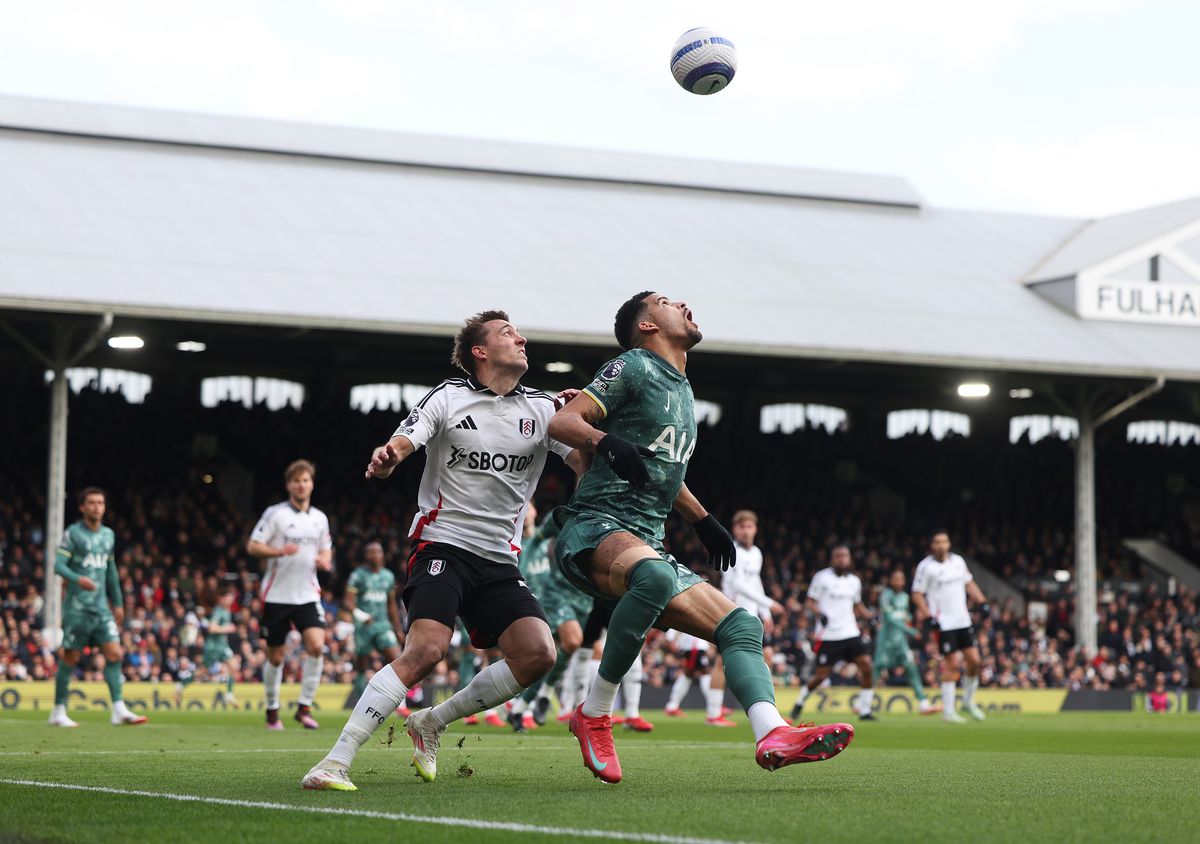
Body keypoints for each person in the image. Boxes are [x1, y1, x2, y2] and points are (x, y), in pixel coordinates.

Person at [549, 291, 854, 783]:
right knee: (649, 576)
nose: (684, 304)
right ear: (647, 325)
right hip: (594, 527)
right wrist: (606, 441)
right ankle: (595, 712)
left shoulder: (684, 388)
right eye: (668, 301)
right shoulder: (631, 366)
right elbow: (563, 421)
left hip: (646, 537)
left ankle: (771, 730)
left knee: (742, 626)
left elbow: (664, 473)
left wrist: (700, 518)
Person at [303, 310, 584, 791]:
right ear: (481, 351)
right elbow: (404, 440)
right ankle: (334, 761)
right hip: (444, 544)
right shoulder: (449, 397)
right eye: (507, 333)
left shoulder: (543, 409)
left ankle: (431, 721)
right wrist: (388, 457)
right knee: (429, 648)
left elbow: (585, 463)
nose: (521, 338)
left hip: (499, 559)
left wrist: (585, 419)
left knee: (538, 653)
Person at [49, 487, 147, 727]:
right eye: (91, 503)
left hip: (101, 608)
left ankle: (118, 709)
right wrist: (77, 578)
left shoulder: (108, 535)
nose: (96, 507)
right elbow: (58, 566)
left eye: (100, 503)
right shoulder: (73, 533)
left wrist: (118, 602)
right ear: (82, 507)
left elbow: (111, 571)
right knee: (70, 657)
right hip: (77, 607)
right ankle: (58, 711)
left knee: (115, 653)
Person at [247, 459, 333, 730]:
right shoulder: (276, 514)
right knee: (275, 657)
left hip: (307, 594)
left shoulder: (320, 518)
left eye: (306, 480)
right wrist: (278, 551)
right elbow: (253, 546)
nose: (301, 484)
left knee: (317, 646)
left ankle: (304, 707)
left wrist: (324, 560)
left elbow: (326, 548)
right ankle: (272, 711)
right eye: (297, 480)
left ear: (311, 484)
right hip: (276, 596)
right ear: (289, 485)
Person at [790, 545, 875, 721]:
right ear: (832, 558)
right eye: (838, 556)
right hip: (829, 636)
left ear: (849, 559)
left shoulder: (854, 581)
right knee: (821, 676)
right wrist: (819, 613)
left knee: (867, 666)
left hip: (850, 632)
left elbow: (857, 604)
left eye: (844, 556)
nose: (841, 559)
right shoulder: (821, 578)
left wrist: (869, 616)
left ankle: (865, 711)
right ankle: (800, 701)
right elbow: (811, 602)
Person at [912, 530, 990, 723]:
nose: (941, 546)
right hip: (943, 623)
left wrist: (982, 602)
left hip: (962, 620)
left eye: (944, 542)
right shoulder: (926, 566)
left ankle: (968, 703)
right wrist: (928, 614)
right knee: (952, 664)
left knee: (975, 661)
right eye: (937, 542)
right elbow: (916, 594)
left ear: (948, 544)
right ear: (932, 545)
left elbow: (969, 583)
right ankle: (948, 712)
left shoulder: (958, 562)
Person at [345, 541, 403, 704]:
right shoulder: (358, 575)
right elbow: (348, 603)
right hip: (363, 627)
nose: (374, 555)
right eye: (371, 552)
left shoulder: (388, 576)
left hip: (383, 625)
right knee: (362, 665)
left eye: (377, 551)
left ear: (382, 555)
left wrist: (397, 629)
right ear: (366, 555)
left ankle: (400, 704)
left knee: (397, 659)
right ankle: (361, 701)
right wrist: (361, 616)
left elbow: (391, 605)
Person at [873, 569, 938, 715]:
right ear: (891, 581)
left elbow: (905, 616)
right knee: (877, 668)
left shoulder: (904, 597)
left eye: (901, 579)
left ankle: (923, 703)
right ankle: (863, 702)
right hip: (886, 640)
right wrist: (911, 631)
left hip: (900, 641)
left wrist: (908, 619)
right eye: (896, 578)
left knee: (911, 667)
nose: (899, 581)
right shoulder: (886, 596)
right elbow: (890, 618)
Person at [202, 587, 239, 704]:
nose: (230, 601)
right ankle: (181, 685)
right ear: (222, 599)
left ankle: (229, 694)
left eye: (232, 598)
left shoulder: (227, 611)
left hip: (222, 646)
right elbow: (211, 628)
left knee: (234, 666)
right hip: (213, 647)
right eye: (228, 598)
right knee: (203, 671)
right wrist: (226, 628)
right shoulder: (218, 611)